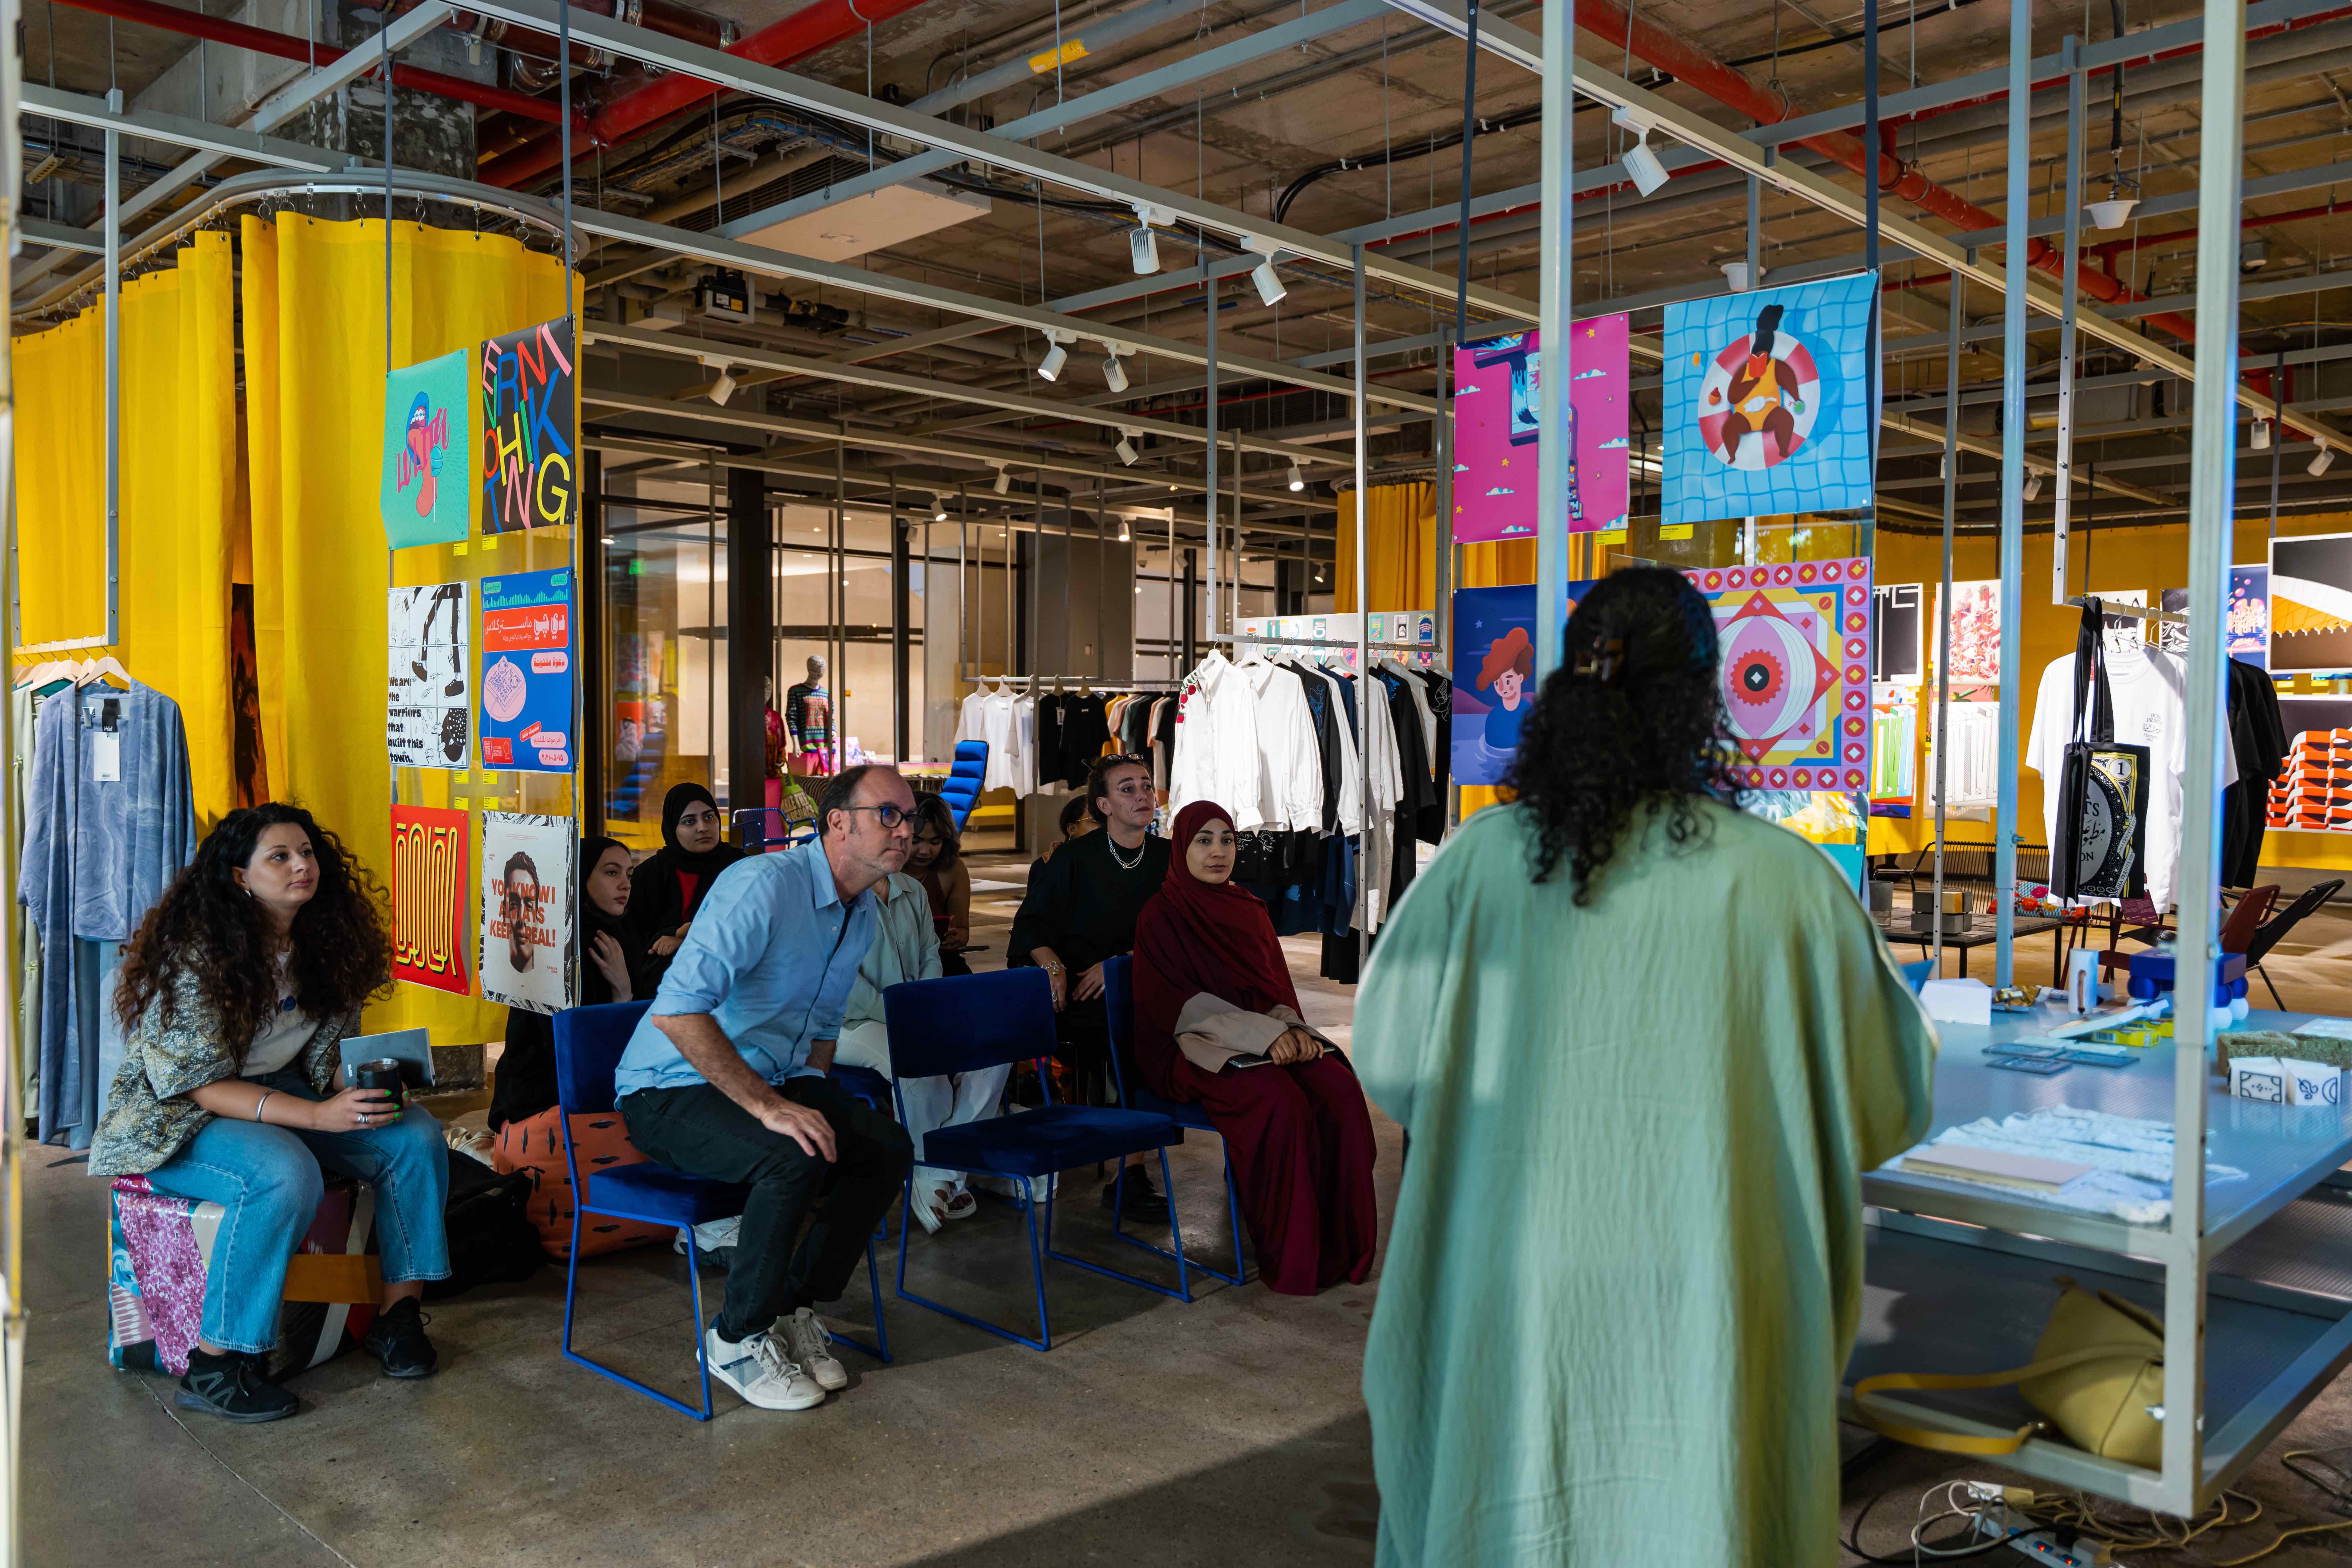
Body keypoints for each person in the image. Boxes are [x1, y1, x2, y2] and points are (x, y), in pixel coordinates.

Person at [1352, 569, 1938, 1567]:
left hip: (1516, 1286)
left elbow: (1389, 1057)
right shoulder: (1788, 883)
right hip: (1712, 1295)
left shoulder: (1477, 865)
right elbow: (1891, 1102)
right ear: (1704, 701)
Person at [90, 803, 449, 1423]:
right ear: (240, 876)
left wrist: (368, 1089)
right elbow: (201, 1087)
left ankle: (399, 1316)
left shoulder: (329, 941)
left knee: (414, 1136)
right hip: (179, 1114)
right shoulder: (196, 956)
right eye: (279, 857)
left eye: (306, 853)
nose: (300, 866)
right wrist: (319, 1118)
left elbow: (326, 1056)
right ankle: (215, 1366)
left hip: (284, 1087)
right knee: (283, 1173)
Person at [616, 765, 917, 1413]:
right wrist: (771, 1107)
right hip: (668, 1086)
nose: (905, 830)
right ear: (838, 823)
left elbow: (823, 1027)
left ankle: (789, 1307)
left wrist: (811, 1097)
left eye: (910, 818)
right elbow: (677, 1012)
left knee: (884, 1146)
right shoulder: (763, 884)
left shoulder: (862, 909)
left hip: (774, 1076)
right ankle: (735, 1337)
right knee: (792, 1155)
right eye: (888, 814)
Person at [1132, 801, 1377, 1295]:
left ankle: (1345, 1245)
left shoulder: (1247, 908)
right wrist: (1266, 1038)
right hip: (1188, 1048)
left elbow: (1274, 990)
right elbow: (1179, 1006)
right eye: (1204, 840)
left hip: (1259, 1036)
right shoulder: (1161, 914)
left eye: (1227, 840)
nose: (1218, 851)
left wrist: (1293, 1031)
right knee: (1278, 1101)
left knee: (1339, 1089)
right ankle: (1293, 1257)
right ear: (1181, 849)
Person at [1007, 753, 1171, 1218]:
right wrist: (1054, 968)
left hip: (1146, 981)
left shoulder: (1169, 857)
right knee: (1132, 1032)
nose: (1143, 795)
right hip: (1081, 992)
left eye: (1146, 785)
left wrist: (1123, 964)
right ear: (1103, 805)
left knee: (1169, 1024)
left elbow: (1183, 932)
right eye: (1127, 789)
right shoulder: (1073, 858)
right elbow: (1029, 929)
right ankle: (1130, 1174)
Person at [831, 868, 1007, 1234]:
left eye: (905, 836)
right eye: (893, 835)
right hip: (849, 1023)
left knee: (996, 1050)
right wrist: (902, 1014)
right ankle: (937, 1172)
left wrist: (920, 1007)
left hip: (915, 1013)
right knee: (916, 1061)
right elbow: (841, 980)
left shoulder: (911, 889)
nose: (902, 842)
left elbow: (930, 953)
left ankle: (940, 1170)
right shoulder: (838, 893)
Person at [489, 836, 645, 1131]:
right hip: (545, 1099)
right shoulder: (553, 946)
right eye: (612, 873)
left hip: (610, 1083)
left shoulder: (625, 934)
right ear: (581, 876)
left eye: (629, 874)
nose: (625, 885)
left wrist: (624, 991)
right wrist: (622, 997)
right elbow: (568, 1050)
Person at [624, 782, 744, 988]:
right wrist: (674, 934)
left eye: (709, 817)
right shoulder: (650, 875)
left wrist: (686, 939)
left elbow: (749, 928)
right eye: (689, 822)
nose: (703, 828)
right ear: (673, 829)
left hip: (731, 980)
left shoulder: (741, 867)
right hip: (663, 986)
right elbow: (634, 941)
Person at [905, 793, 972, 978]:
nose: (925, 851)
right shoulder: (883, 869)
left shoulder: (954, 869)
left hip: (942, 961)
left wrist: (954, 938)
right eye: (915, 841)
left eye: (935, 842)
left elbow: (963, 931)